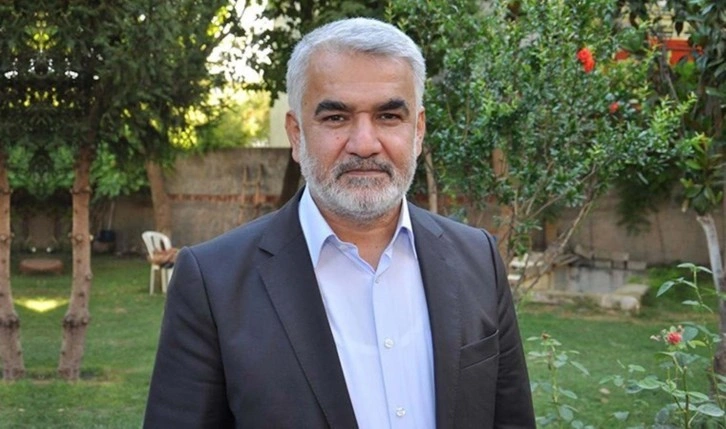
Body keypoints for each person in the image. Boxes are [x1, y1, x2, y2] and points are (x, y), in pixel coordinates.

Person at [144, 17, 535, 429]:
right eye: (336, 118)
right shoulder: (214, 283)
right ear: (296, 134)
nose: (364, 144)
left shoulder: (478, 259)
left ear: (418, 131)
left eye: (389, 116)